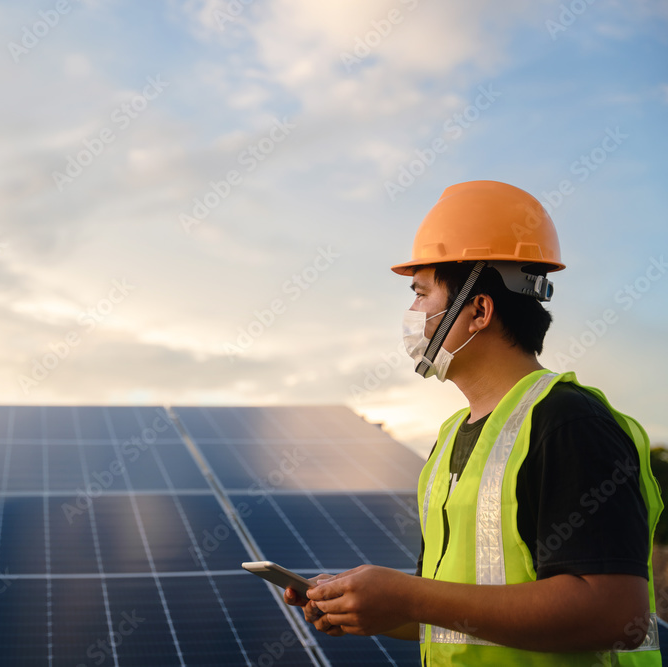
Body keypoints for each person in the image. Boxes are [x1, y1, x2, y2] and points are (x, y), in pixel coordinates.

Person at [284, 180, 663, 665]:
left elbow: (615, 616)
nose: (412, 313)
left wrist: (408, 595)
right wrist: (361, 605)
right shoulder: (450, 439)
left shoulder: (569, 423)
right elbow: (455, 615)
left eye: (421, 293)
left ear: (479, 310)